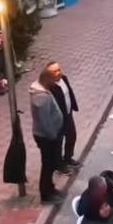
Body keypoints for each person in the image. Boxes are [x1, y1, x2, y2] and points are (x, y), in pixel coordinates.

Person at [29, 68, 65, 203]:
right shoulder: (41, 98)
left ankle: (50, 188)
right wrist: (52, 135)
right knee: (47, 165)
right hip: (46, 136)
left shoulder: (43, 91)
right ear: (46, 80)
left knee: (49, 164)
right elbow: (44, 121)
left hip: (48, 135)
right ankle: (46, 193)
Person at [46, 61, 80, 171]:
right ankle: (59, 165)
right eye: (54, 71)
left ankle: (68, 157)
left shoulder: (64, 79)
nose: (58, 73)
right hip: (58, 119)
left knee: (72, 136)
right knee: (58, 142)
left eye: (59, 70)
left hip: (68, 113)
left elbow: (69, 92)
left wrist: (73, 106)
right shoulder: (49, 86)